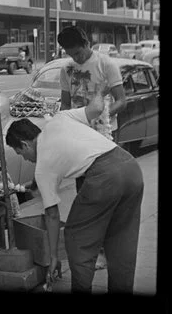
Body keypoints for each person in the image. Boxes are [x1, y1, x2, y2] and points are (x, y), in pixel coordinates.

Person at [5, 93, 144, 294]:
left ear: (25, 144)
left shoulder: (42, 167)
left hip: (104, 177)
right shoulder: (60, 118)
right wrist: (101, 88)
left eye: (21, 154)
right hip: (130, 167)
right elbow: (96, 108)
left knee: (76, 235)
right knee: (121, 237)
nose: (25, 159)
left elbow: (52, 216)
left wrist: (53, 257)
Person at [58, 25, 127, 269]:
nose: (75, 59)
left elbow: (122, 100)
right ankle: (94, 250)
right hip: (79, 140)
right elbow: (65, 104)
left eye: (77, 53)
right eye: (70, 54)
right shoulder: (66, 69)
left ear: (87, 43)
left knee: (105, 193)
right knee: (85, 196)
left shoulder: (106, 64)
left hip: (103, 137)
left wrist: (101, 114)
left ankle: (110, 249)